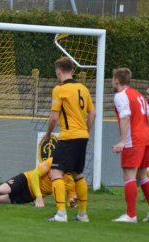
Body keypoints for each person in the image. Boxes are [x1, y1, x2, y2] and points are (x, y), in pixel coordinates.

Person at [43, 57, 95, 222]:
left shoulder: (59, 90)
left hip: (68, 137)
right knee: (77, 174)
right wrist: (86, 130)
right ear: (72, 70)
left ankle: (61, 213)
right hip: (82, 136)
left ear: (59, 71)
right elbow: (92, 113)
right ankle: (82, 214)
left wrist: (48, 134)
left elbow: (53, 117)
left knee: (55, 172)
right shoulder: (83, 88)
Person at [111, 68, 149, 223]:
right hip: (145, 137)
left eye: (112, 79)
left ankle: (131, 215)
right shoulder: (138, 95)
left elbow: (125, 117)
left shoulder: (121, 96)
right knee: (142, 176)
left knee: (129, 175)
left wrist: (121, 141)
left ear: (117, 80)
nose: (112, 82)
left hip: (133, 139)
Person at [0, 157, 77, 207]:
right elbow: (34, 174)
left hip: (29, 196)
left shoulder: (72, 181)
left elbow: (70, 200)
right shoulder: (53, 161)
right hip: (25, 180)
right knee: (0, 190)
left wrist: (72, 202)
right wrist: (39, 196)